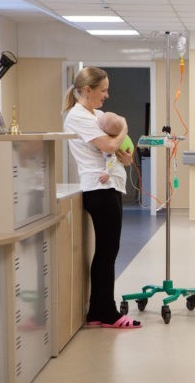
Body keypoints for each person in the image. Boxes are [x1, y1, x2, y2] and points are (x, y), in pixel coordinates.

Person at [63, 66, 141, 328]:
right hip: (98, 189)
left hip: (111, 186)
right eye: (103, 90)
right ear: (87, 90)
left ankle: (98, 310)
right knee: (107, 252)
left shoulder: (96, 115)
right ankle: (106, 312)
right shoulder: (76, 116)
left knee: (109, 251)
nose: (107, 95)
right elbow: (108, 144)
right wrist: (124, 129)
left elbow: (115, 150)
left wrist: (124, 155)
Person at [96, 111, 129, 184]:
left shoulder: (108, 147)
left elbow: (111, 160)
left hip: (114, 175)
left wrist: (107, 174)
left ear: (103, 131)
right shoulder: (119, 136)